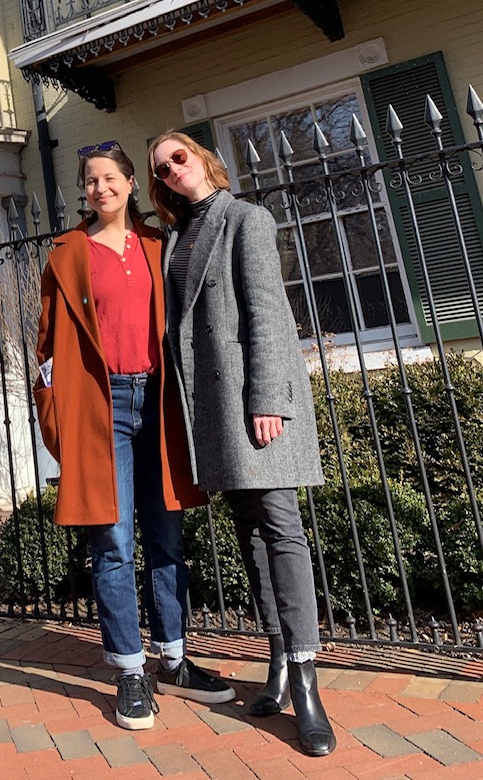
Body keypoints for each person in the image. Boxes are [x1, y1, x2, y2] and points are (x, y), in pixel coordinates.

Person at [33, 140, 234, 731]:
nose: (100, 188)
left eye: (110, 178)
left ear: (129, 183)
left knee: (167, 536)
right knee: (114, 542)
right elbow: (45, 350)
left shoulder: (158, 242)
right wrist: (56, 420)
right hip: (102, 410)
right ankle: (129, 669)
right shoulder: (66, 254)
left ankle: (174, 659)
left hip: (160, 402)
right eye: (89, 181)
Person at [147, 130, 336, 758]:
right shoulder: (175, 236)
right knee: (249, 530)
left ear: (204, 160)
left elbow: (266, 313)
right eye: (162, 168)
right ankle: (277, 659)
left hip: (251, 402)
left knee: (282, 526)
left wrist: (268, 399)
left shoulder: (246, 219)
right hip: (210, 410)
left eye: (180, 157)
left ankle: (307, 681)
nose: (173, 170)